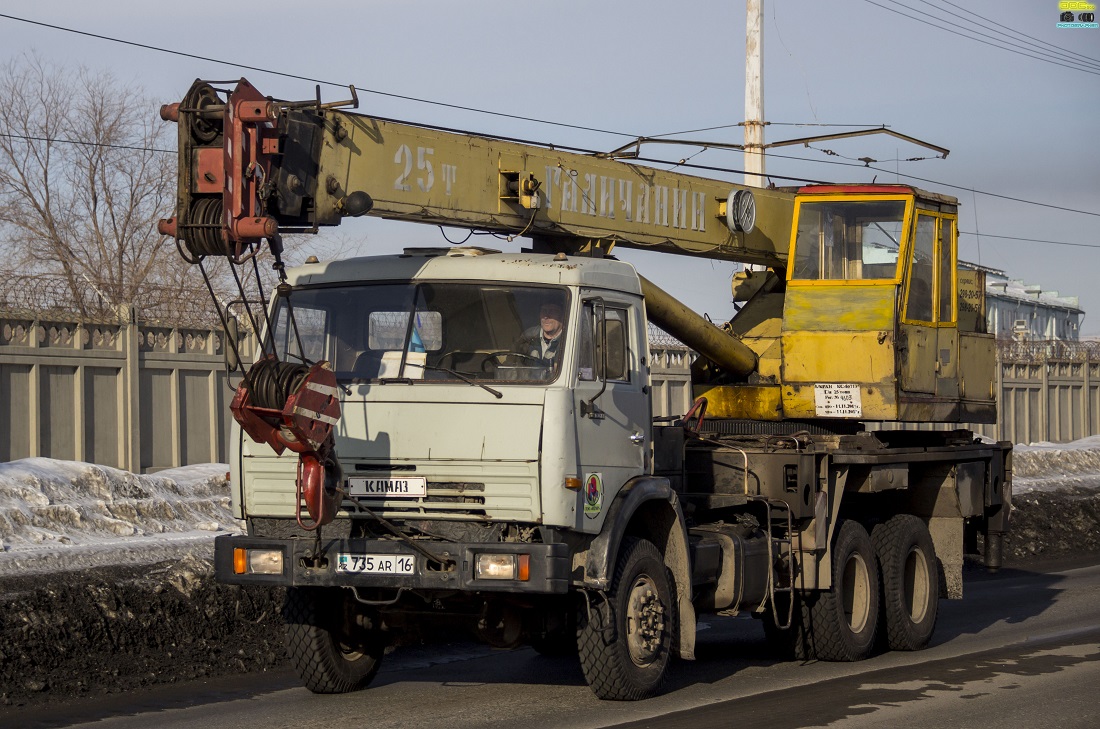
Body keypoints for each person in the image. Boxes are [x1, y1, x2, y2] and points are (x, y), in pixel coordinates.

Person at [515, 300, 565, 368]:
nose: (546, 316)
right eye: (544, 311)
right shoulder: (528, 337)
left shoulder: (568, 340)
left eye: (552, 311)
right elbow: (513, 362)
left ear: (562, 316)